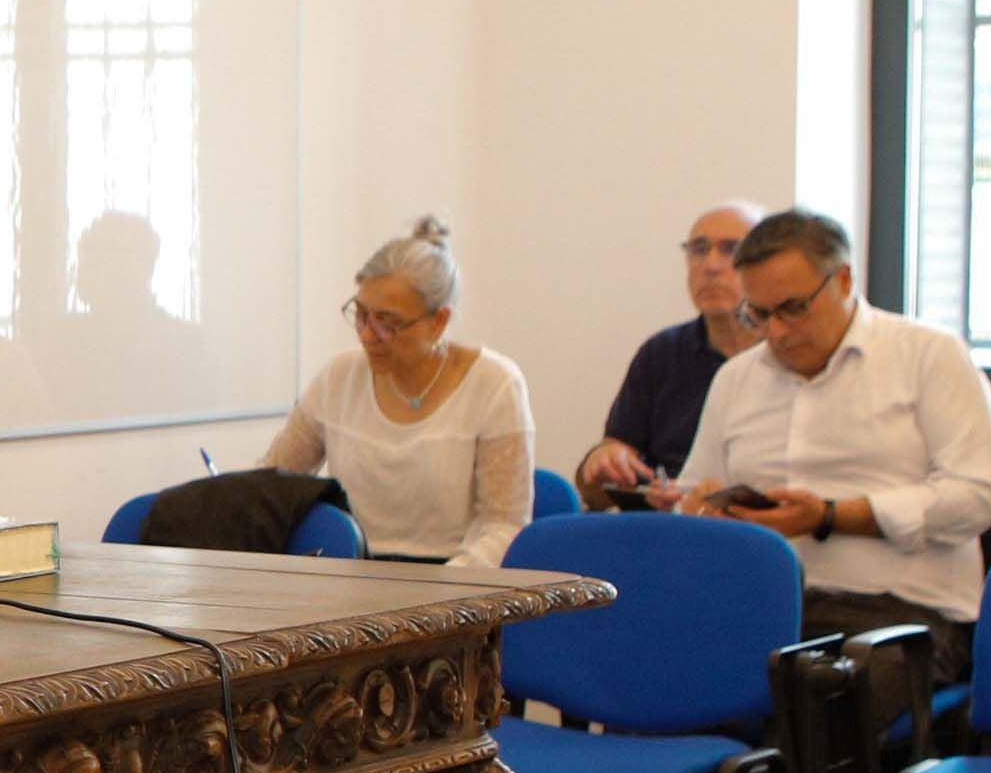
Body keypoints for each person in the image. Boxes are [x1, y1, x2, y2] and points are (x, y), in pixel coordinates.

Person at [674, 209, 991, 684]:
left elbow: (976, 498)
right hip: (764, 603)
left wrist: (832, 516)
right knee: (661, 673)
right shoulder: (737, 378)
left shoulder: (928, 355)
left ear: (844, 280)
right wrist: (703, 511)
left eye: (793, 308)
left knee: (814, 697)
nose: (777, 332)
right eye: (759, 314)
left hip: (899, 616)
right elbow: (694, 494)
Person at [264, 218, 534, 567]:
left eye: (387, 323)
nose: (367, 335)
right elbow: (274, 482)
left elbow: (503, 526)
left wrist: (438, 597)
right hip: (351, 580)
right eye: (361, 315)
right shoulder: (338, 378)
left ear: (439, 321)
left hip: (455, 590)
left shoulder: (495, 385)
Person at [580, 202, 764, 499]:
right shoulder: (661, 353)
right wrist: (609, 459)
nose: (711, 266)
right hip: (666, 526)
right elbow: (608, 473)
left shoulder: (787, 354)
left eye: (731, 250)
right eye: (699, 250)